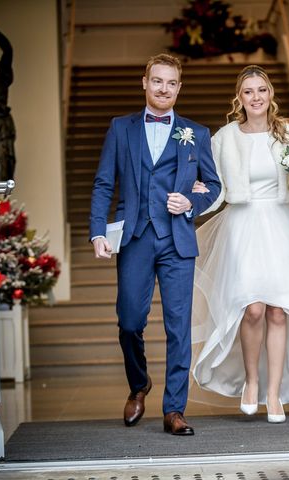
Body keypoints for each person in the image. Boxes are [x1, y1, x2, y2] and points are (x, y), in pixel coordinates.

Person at [190, 65, 289, 423]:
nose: (255, 97)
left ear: (271, 94)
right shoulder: (224, 137)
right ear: (239, 98)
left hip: (280, 224)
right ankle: (251, 382)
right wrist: (197, 197)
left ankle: (273, 394)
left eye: (261, 90)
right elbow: (218, 189)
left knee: (278, 309)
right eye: (248, 91)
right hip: (242, 227)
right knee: (252, 308)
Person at [89, 53, 221, 435]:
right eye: (157, 81)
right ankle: (139, 383)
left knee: (179, 326)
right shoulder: (120, 128)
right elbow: (103, 183)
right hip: (135, 238)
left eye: (172, 83)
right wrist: (99, 230)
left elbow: (213, 186)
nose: (164, 88)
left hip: (178, 241)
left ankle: (174, 409)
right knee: (130, 321)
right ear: (145, 83)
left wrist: (191, 202)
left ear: (179, 88)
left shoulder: (197, 133)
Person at [0, 27, 16, 181]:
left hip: (1, 120)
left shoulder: (1, 74)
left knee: (5, 159)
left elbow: (8, 50)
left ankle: (1, 200)